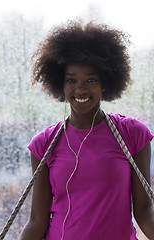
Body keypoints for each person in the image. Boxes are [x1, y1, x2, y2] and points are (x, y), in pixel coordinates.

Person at [19, 20, 154, 240]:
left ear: (105, 83)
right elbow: (36, 221)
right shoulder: (43, 144)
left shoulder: (133, 134)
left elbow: (144, 211)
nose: (80, 88)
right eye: (71, 80)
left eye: (91, 80)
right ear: (60, 84)